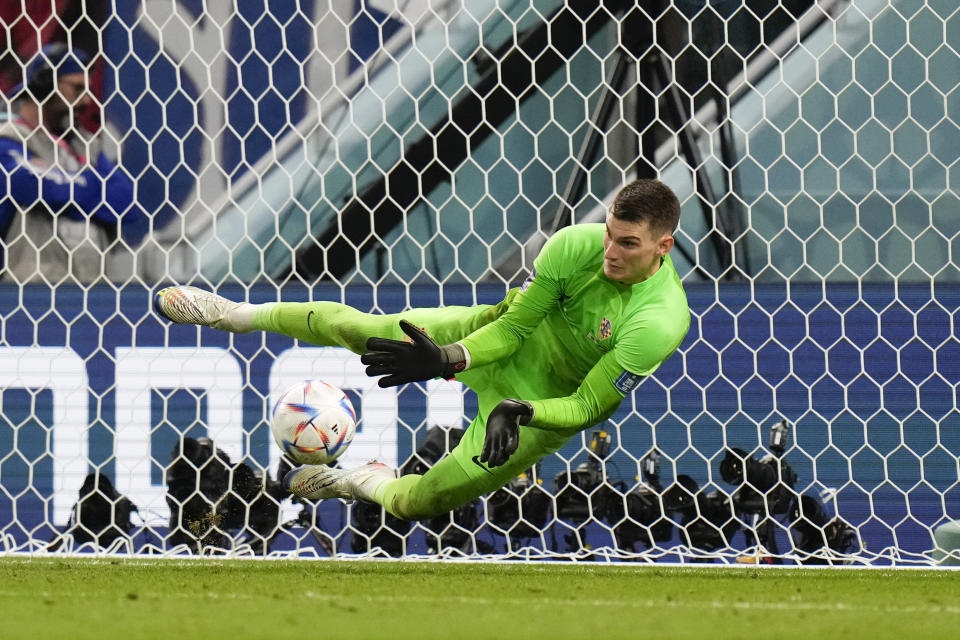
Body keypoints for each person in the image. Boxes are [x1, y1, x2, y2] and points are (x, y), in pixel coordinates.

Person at [154, 178, 690, 521]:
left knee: (422, 501)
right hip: (493, 336)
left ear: (663, 247)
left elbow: (588, 407)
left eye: (627, 244)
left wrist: (522, 410)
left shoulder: (659, 320)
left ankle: (356, 481)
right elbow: (515, 327)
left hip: (537, 410)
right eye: (609, 235)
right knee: (363, 330)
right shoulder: (575, 244)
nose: (609, 253)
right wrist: (447, 358)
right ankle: (234, 314)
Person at [0, 42, 148, 284]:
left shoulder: (86, 146)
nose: (86, 100)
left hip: (91, 293)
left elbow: (125, 203)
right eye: (77, 89)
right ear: (44, 85)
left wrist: (58, 181)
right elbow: (25, 183)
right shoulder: (8, 139)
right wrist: (92, 183)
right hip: (27, 296)